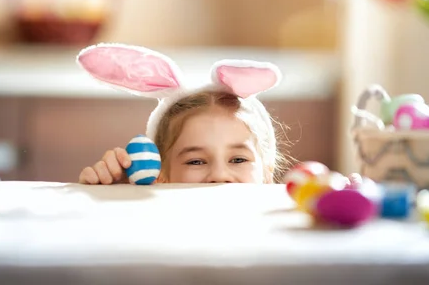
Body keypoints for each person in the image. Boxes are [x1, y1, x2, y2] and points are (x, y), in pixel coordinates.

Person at [76, 43, 360, 186]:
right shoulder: (149, 230)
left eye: (238, 159)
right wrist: (112, 197)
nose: (220, 175)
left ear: (266, 172)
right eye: (196, 161)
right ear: (161, 176)